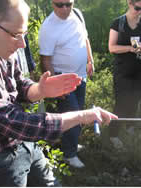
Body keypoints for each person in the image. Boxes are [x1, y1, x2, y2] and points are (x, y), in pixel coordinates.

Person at [0, 0, 117, 186]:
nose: (22, 45)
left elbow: (17, 83)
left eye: (23, 35)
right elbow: (12, 122)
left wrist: (38, 90)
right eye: (16, 35)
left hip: (25, 144)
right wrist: (81, 116)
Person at [39, 0, 94, 168]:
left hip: (81, 76)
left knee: (78, 112)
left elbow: (85, 38)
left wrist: (90, 60)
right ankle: (69, 155)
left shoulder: (77, 14)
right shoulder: (48, 27)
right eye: (59, 4)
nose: (65, 9)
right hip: (63, 79)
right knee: (73, 114)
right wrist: (55, 84)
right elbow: (45, 59)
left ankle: (71, 144)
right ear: (51, 3)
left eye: (68, 4)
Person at [108, 0, 141, 148]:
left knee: (135, 100)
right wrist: (129, 48)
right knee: (121, 102)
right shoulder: (118, 23)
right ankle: (113, 134)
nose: (140, 11)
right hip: (123, 70)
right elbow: (112, 47)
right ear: (129, 3)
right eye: (137, 8)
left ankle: (129, 127)